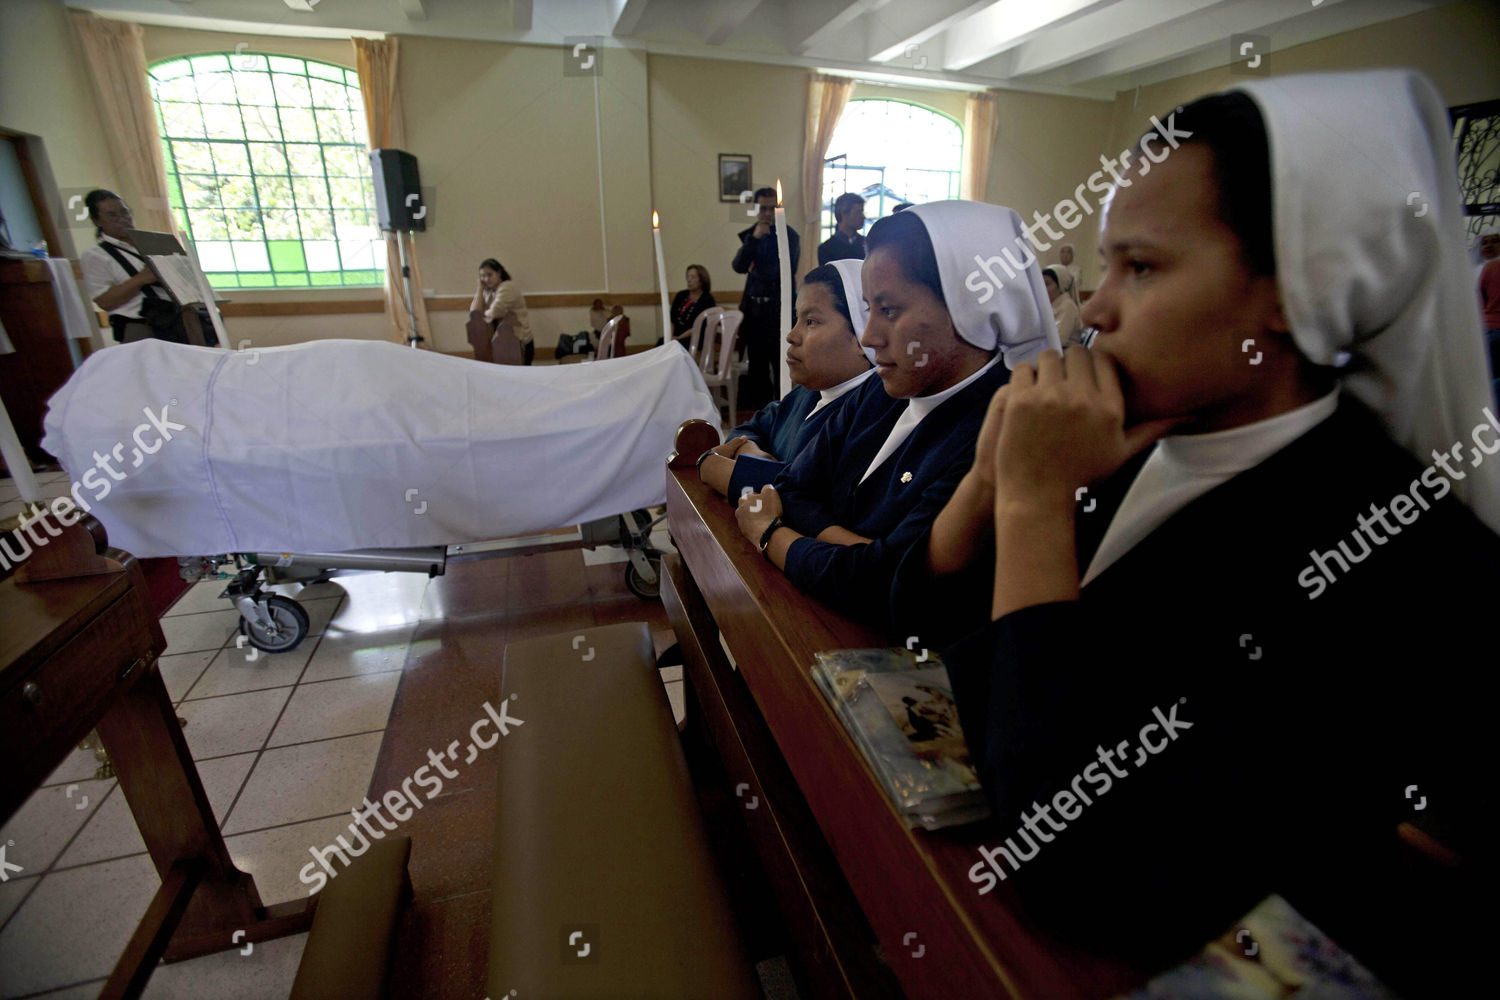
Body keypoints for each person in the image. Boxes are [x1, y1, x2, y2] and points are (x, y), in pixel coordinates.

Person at [897, 73, 1499, 995]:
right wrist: (988, 483)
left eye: (1141, 268)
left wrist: (1031, 508)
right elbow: (923, 642)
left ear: (1295, 287)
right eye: (1104, 267)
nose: (1097, 308)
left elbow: (1080, 861)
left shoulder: (1393, 553)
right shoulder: (1138, 436)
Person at [733, 202, 1057, 628]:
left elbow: (886, 585)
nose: (869, 336)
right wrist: (862, 554)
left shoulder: (1001, 425)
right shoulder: (881, 388)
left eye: (889, 310)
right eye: (868, 309)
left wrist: (771, 534)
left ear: (969, 306)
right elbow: (792, 487)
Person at [699, 259, 875, 498]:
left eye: (811, 322)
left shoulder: (869, 413)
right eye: (797, 319)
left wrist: (714, 466)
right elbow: (751, 428)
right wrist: (752, 452)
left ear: (862, 334)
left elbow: (800, 495)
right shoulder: (809, 392)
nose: (792, 335)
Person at [78, 190, 209, 345]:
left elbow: (191, 281)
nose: (122, 219)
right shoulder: (95, 256)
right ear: (96, 221)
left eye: (125, 212)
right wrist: (141, 278)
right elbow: (105, 301)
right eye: (112, 216)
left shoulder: (155, 242)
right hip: (142, 327)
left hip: (184, 320)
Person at [732, 186, 800, 407]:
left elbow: (785, 271)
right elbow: (738, 265)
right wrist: (754, 239)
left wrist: (756, 268)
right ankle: (762, 416)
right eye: (763, 208)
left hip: (778, 312)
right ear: (756, 209)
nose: (768, 213)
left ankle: (784, 413)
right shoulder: (752, 234)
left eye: (772, 208)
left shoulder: (789, 236)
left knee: (782, 366)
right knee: (757, 370)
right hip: (754, 313)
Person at [470, 258, 534, 365]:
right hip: (502, 342)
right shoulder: (488, 290)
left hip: (519, 344)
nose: (486, 279)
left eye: (489, 275)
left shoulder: (507, 287)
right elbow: (475, 313)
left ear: (499, 273)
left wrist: (484, 314)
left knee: (517, 374)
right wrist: (479, 289)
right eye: (482, 276)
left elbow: (496, 312)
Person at [662, 265, 717, 347]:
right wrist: (670, 337)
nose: (689, 280)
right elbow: (672, 320)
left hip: (694, 337)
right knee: (661, 342)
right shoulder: (681, 295)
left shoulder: (707, 299)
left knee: (678, 345)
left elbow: (701, 326)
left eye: (693, 277)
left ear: (702, 280)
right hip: (676, 335)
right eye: (688, 277)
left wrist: (679, 338)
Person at [817, 193, 867, 266]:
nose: (863, 217)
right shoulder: (826, 249)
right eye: (858, 212)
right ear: (844, 214)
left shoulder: (867, 244)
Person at [1042, 267, 1083, 348]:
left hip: (1065, 353)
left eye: (1047, 284)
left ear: (1061, 285)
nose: (1042, 288)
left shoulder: (1067, 306)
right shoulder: (1053, 305)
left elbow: (1059, 340)